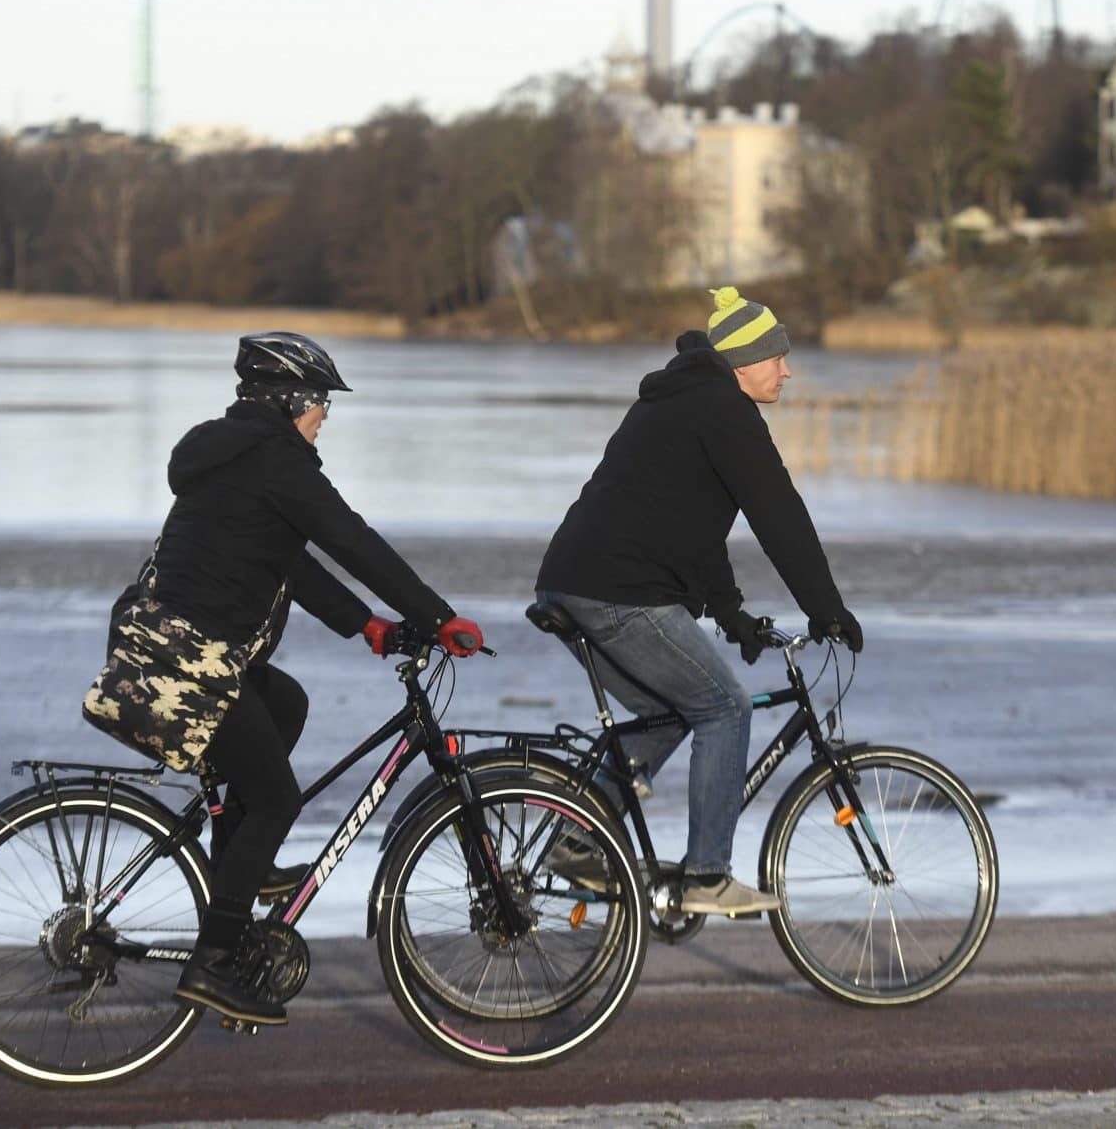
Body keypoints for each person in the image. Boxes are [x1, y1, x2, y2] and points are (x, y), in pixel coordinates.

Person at [86, 331, 484, 1027]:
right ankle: (212, 963)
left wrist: (368, 625)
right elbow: (351, 538)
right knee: (277, 799)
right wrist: (438, 615)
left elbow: (289, 562)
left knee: (285, 702)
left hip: (164, 650)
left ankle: (242, 865)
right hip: (187, 662)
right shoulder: (277, 462)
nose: (325, 414)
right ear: (291, 398)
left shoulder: (233, 455)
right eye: (321, 400)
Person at [535, 288, 863, 917]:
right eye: (777, 358)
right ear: (742, 362)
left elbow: (690, 518)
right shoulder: (725, 412)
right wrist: (827, 609)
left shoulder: (684, 401)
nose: (787, 370)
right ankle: (707, 875)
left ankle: (578, 840)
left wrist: (729, 609)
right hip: (619, 593)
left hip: (574, 581)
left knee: (668, 710)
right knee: (723, 709)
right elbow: (780, 517)